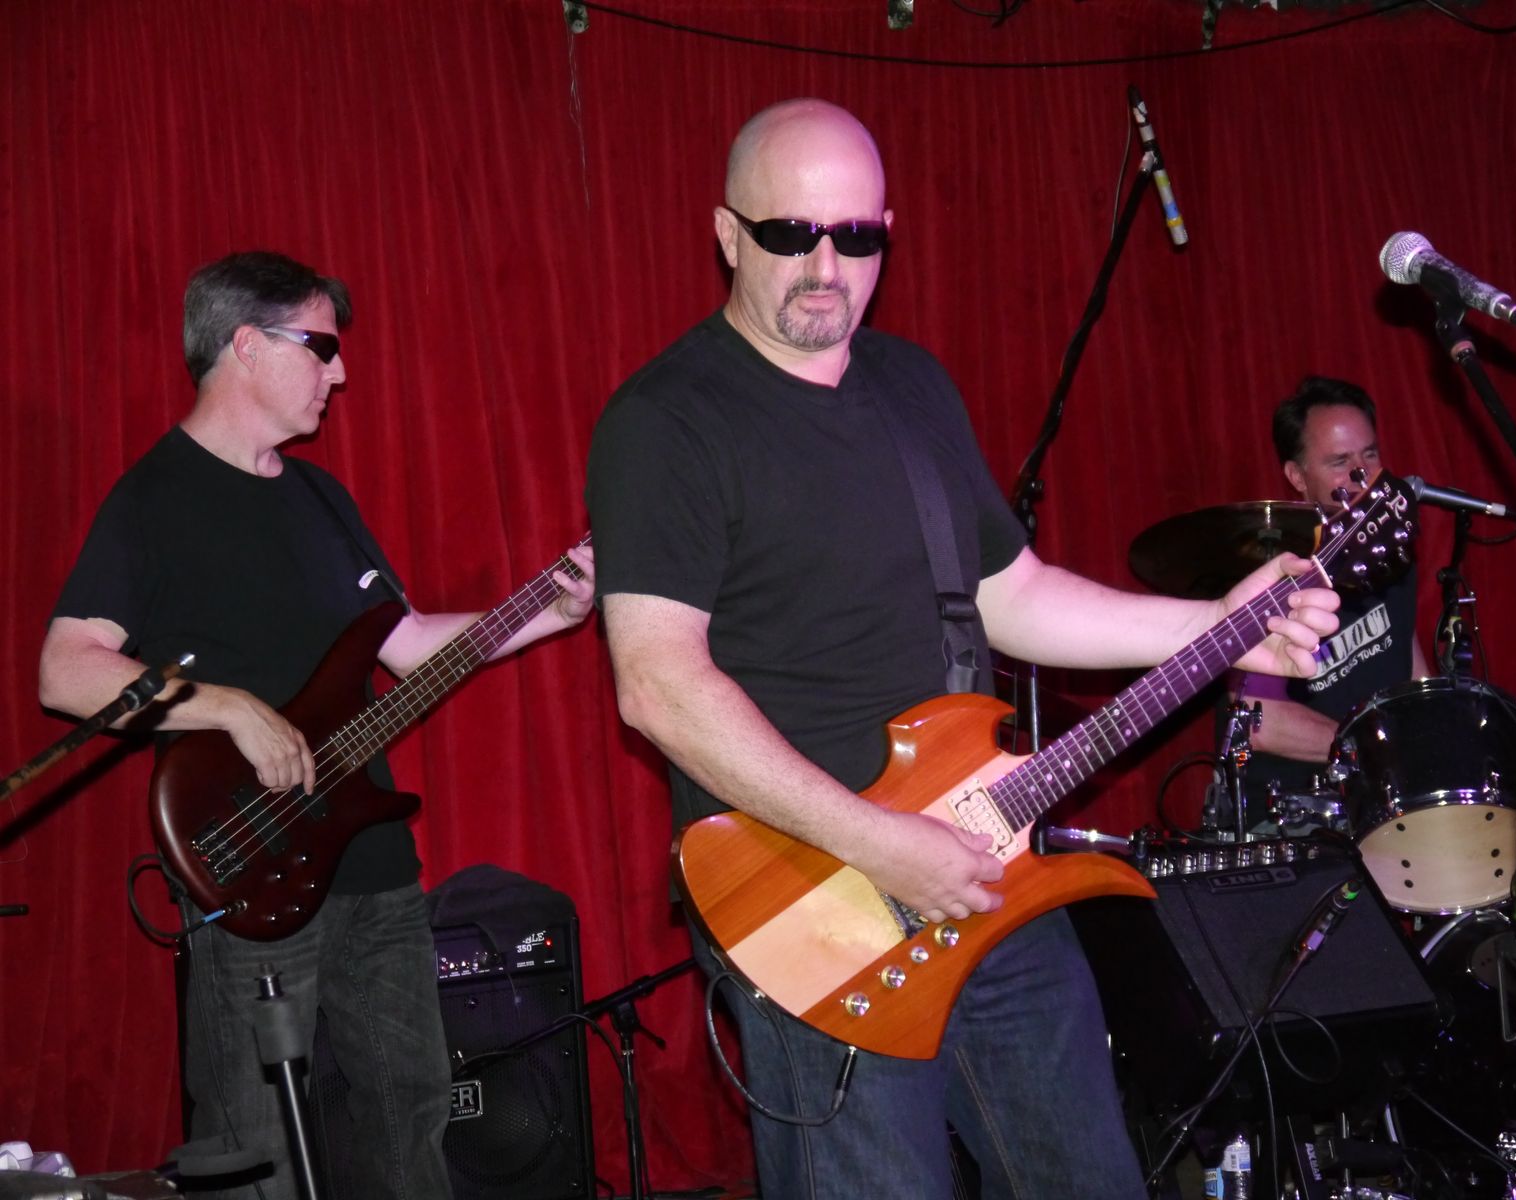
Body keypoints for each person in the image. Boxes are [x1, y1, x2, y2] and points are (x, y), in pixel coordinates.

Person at [584, 98, 1339, 1198]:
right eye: (791, 234)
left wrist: (1221, 623)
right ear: (727, 234)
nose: (826, 267)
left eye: (856, 237)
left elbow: (1011, 597)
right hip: (812, 900)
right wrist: (879, 844)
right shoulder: (667, 420)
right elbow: (658, 685)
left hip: (987, 871)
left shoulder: (911, 386)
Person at [37, 251, 594, 1200]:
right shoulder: (152, 501)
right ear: (247, 346)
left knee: (411, 1115)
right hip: (245, 864)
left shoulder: (321, 499)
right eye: (321, 347)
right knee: (253, 1144)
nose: (340, 373)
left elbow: (407, 646)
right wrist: (227, 708)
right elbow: (66, 670)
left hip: (372, 863)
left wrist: (555, 607)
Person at [1229, 376, 1427, 823]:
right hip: (1300, 814)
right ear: (1297, 477)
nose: (1362, 475)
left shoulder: (1388, 546)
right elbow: (1260, 723)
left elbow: (1409, 669)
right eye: (1340, 461)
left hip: (1385, 798)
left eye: (1369, 455)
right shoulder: (1275, 573)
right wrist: (1374, 750)